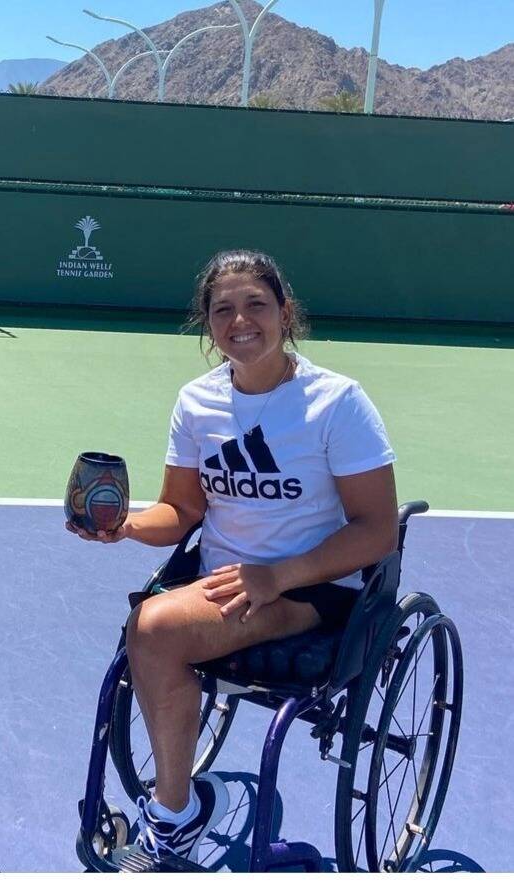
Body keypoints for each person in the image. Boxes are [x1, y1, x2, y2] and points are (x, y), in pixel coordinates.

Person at [67, 249, 397, 862]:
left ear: (284, 311)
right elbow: (182, 510)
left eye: (255, 305)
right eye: (223, 310)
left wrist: (280, 574)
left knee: (155, 629)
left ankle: (174, 816)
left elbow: (377, 530)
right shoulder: (198, 402)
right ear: (207, 324)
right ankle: (180, 800)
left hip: (311, 590)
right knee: (153, 632)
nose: (239, 321)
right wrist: (129, 528)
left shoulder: (338, 403)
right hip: (222, 578)